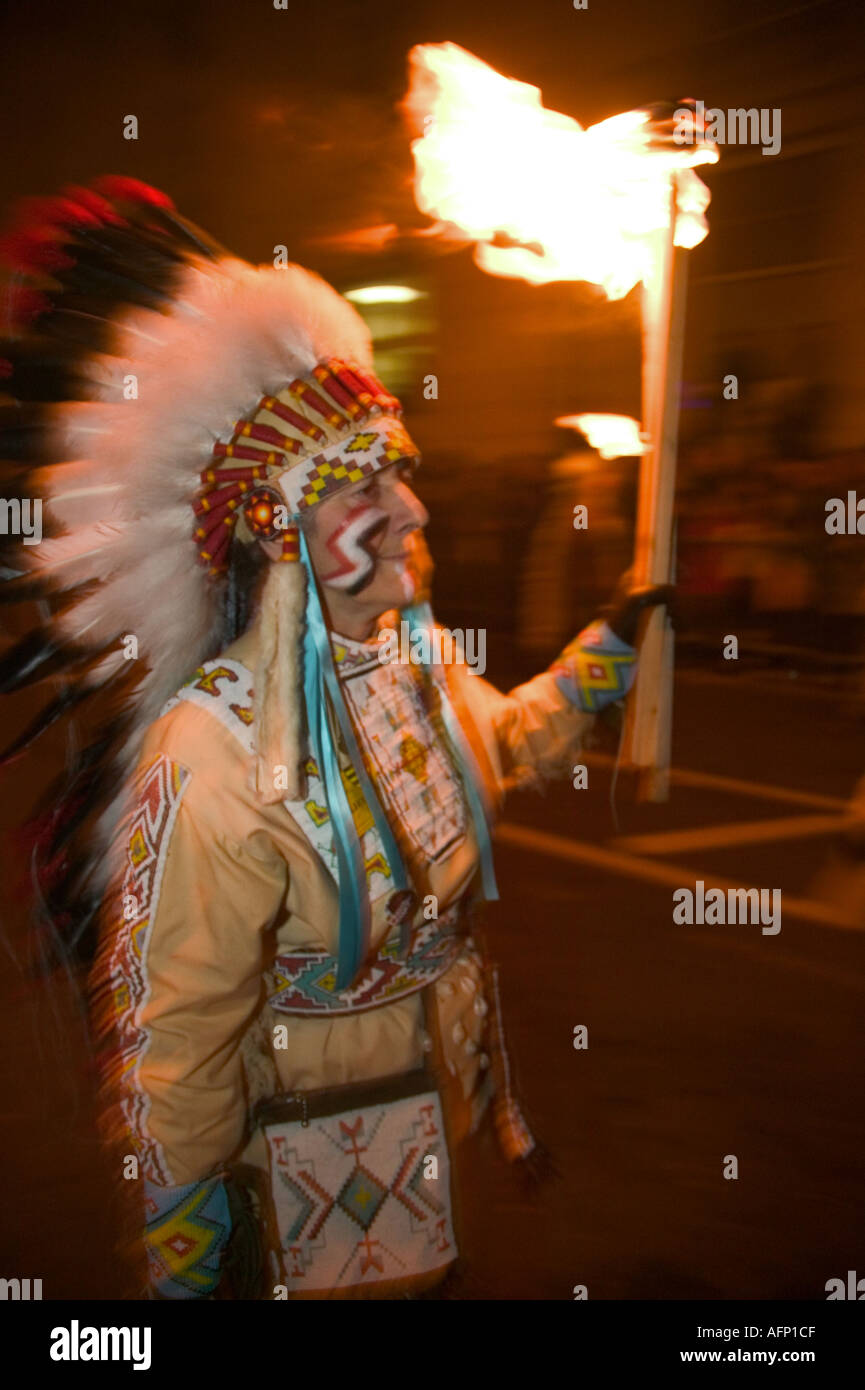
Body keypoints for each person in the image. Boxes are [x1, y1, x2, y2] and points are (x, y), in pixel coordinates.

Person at [0, 177, 667, 1299]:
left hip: (423, 1120)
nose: (410, 506)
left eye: (400, 471)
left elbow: (496, 742)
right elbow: (185, 1032)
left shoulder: (410, 662)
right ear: (276, 529)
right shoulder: (204, 753)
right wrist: (185, 1232)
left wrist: (606, 655)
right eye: (363, 483)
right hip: (294, 1151)